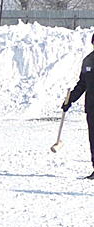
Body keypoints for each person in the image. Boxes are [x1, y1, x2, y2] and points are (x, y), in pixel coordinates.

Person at [62, 33, 94, 179]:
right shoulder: (88, 61)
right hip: (92, 108)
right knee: (93, 139)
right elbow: (82, 84)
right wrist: (70, 100)